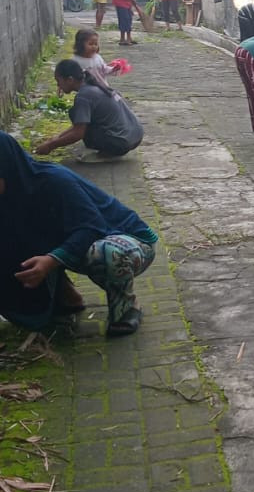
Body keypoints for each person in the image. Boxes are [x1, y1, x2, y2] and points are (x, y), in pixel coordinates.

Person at [0, 132, 157, 337]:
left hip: (125, 240)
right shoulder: (9, 197)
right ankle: (64, 295)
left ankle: (126, 307)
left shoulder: (53, 180)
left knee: (106, 253)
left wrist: (50, 261)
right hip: (75, 240)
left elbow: (92, 228)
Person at [35, 61, 144, 160]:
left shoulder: (83, 96)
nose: (58, 86)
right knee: (80, 117)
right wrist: (56, 138)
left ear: (70, 80)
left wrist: (51, 145)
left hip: (121, 142)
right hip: (135, 135)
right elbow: (79, 125)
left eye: (58, 81)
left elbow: (78, 133)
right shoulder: (94, 85)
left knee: (75, 114)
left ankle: (107, 153)